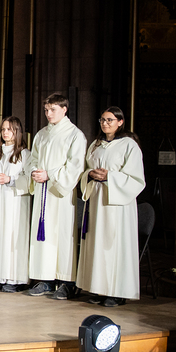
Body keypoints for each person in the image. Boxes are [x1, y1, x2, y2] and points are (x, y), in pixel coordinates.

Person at [75, 107, 145, 306]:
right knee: (98, 244)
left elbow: (136, 178)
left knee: (114, 246)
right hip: (97, 200)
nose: (105, 123)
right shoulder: (95, 145)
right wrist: (89, 175)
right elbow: (86, 170)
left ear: (120, 122)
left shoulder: (129, 145)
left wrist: (110, 177)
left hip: (117, 204)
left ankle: (117, 292)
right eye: (102, 120)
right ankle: (99, 289)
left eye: (110, 120)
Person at [26, 93, 86, 299]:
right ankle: (45, 279)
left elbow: (75, 166)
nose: (48, 113)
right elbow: (33, 159)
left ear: (64, 109)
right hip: (42, 191)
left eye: (52, 109)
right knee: (43, 236)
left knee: (61, 236)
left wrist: (50, 174)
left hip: (60, 194)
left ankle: (66, 282)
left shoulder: (75, 135)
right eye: (46, 110)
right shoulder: (41, 134)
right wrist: (34, 171)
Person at [0, 117, 32, 292]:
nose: (5, 133)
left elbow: (29, 179)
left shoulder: (25, 154)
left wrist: (10, 179)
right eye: (3, 129)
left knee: (13, 237)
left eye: (9, 129)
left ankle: (15, 279)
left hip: (15, 202)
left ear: (17, 132)